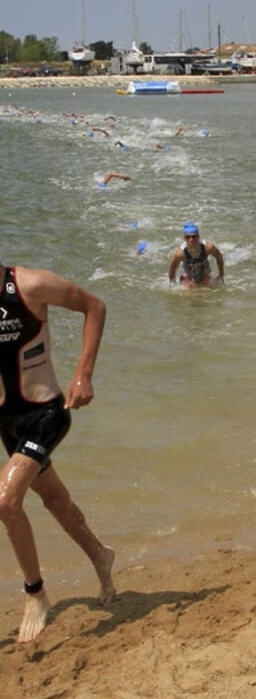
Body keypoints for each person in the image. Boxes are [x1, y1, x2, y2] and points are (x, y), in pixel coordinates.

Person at [0, 262, 116, 643]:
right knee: (55, 500)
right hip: (7, 424)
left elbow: (94, 306)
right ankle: (101, 555)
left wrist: (84, 374)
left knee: (6, 501)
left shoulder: (28, 285)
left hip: (45, 415)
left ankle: (35, 593)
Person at [168, 223, 225, 287]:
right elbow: (172, 268)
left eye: (194, 236)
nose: (191, 239)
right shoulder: (180, 253)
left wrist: (221, 274)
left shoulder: (208, 247)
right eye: (188, 237)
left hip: (203, 264)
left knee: (205, 285)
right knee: (188, 288)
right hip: (187, 265)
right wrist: (172, 282)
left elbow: (219, 257)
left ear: (198, 237)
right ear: (185, 239)